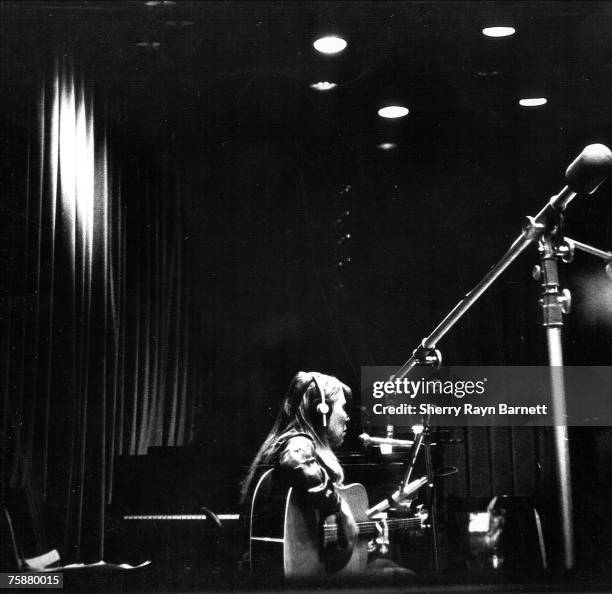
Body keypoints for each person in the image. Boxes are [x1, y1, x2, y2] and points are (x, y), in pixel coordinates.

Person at [240, 371, 358, 551]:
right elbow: (294, 458)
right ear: (321, 412)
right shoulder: (298, 442)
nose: (347, 417)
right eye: (342, 407)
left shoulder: (283, 440)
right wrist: (341, 509)